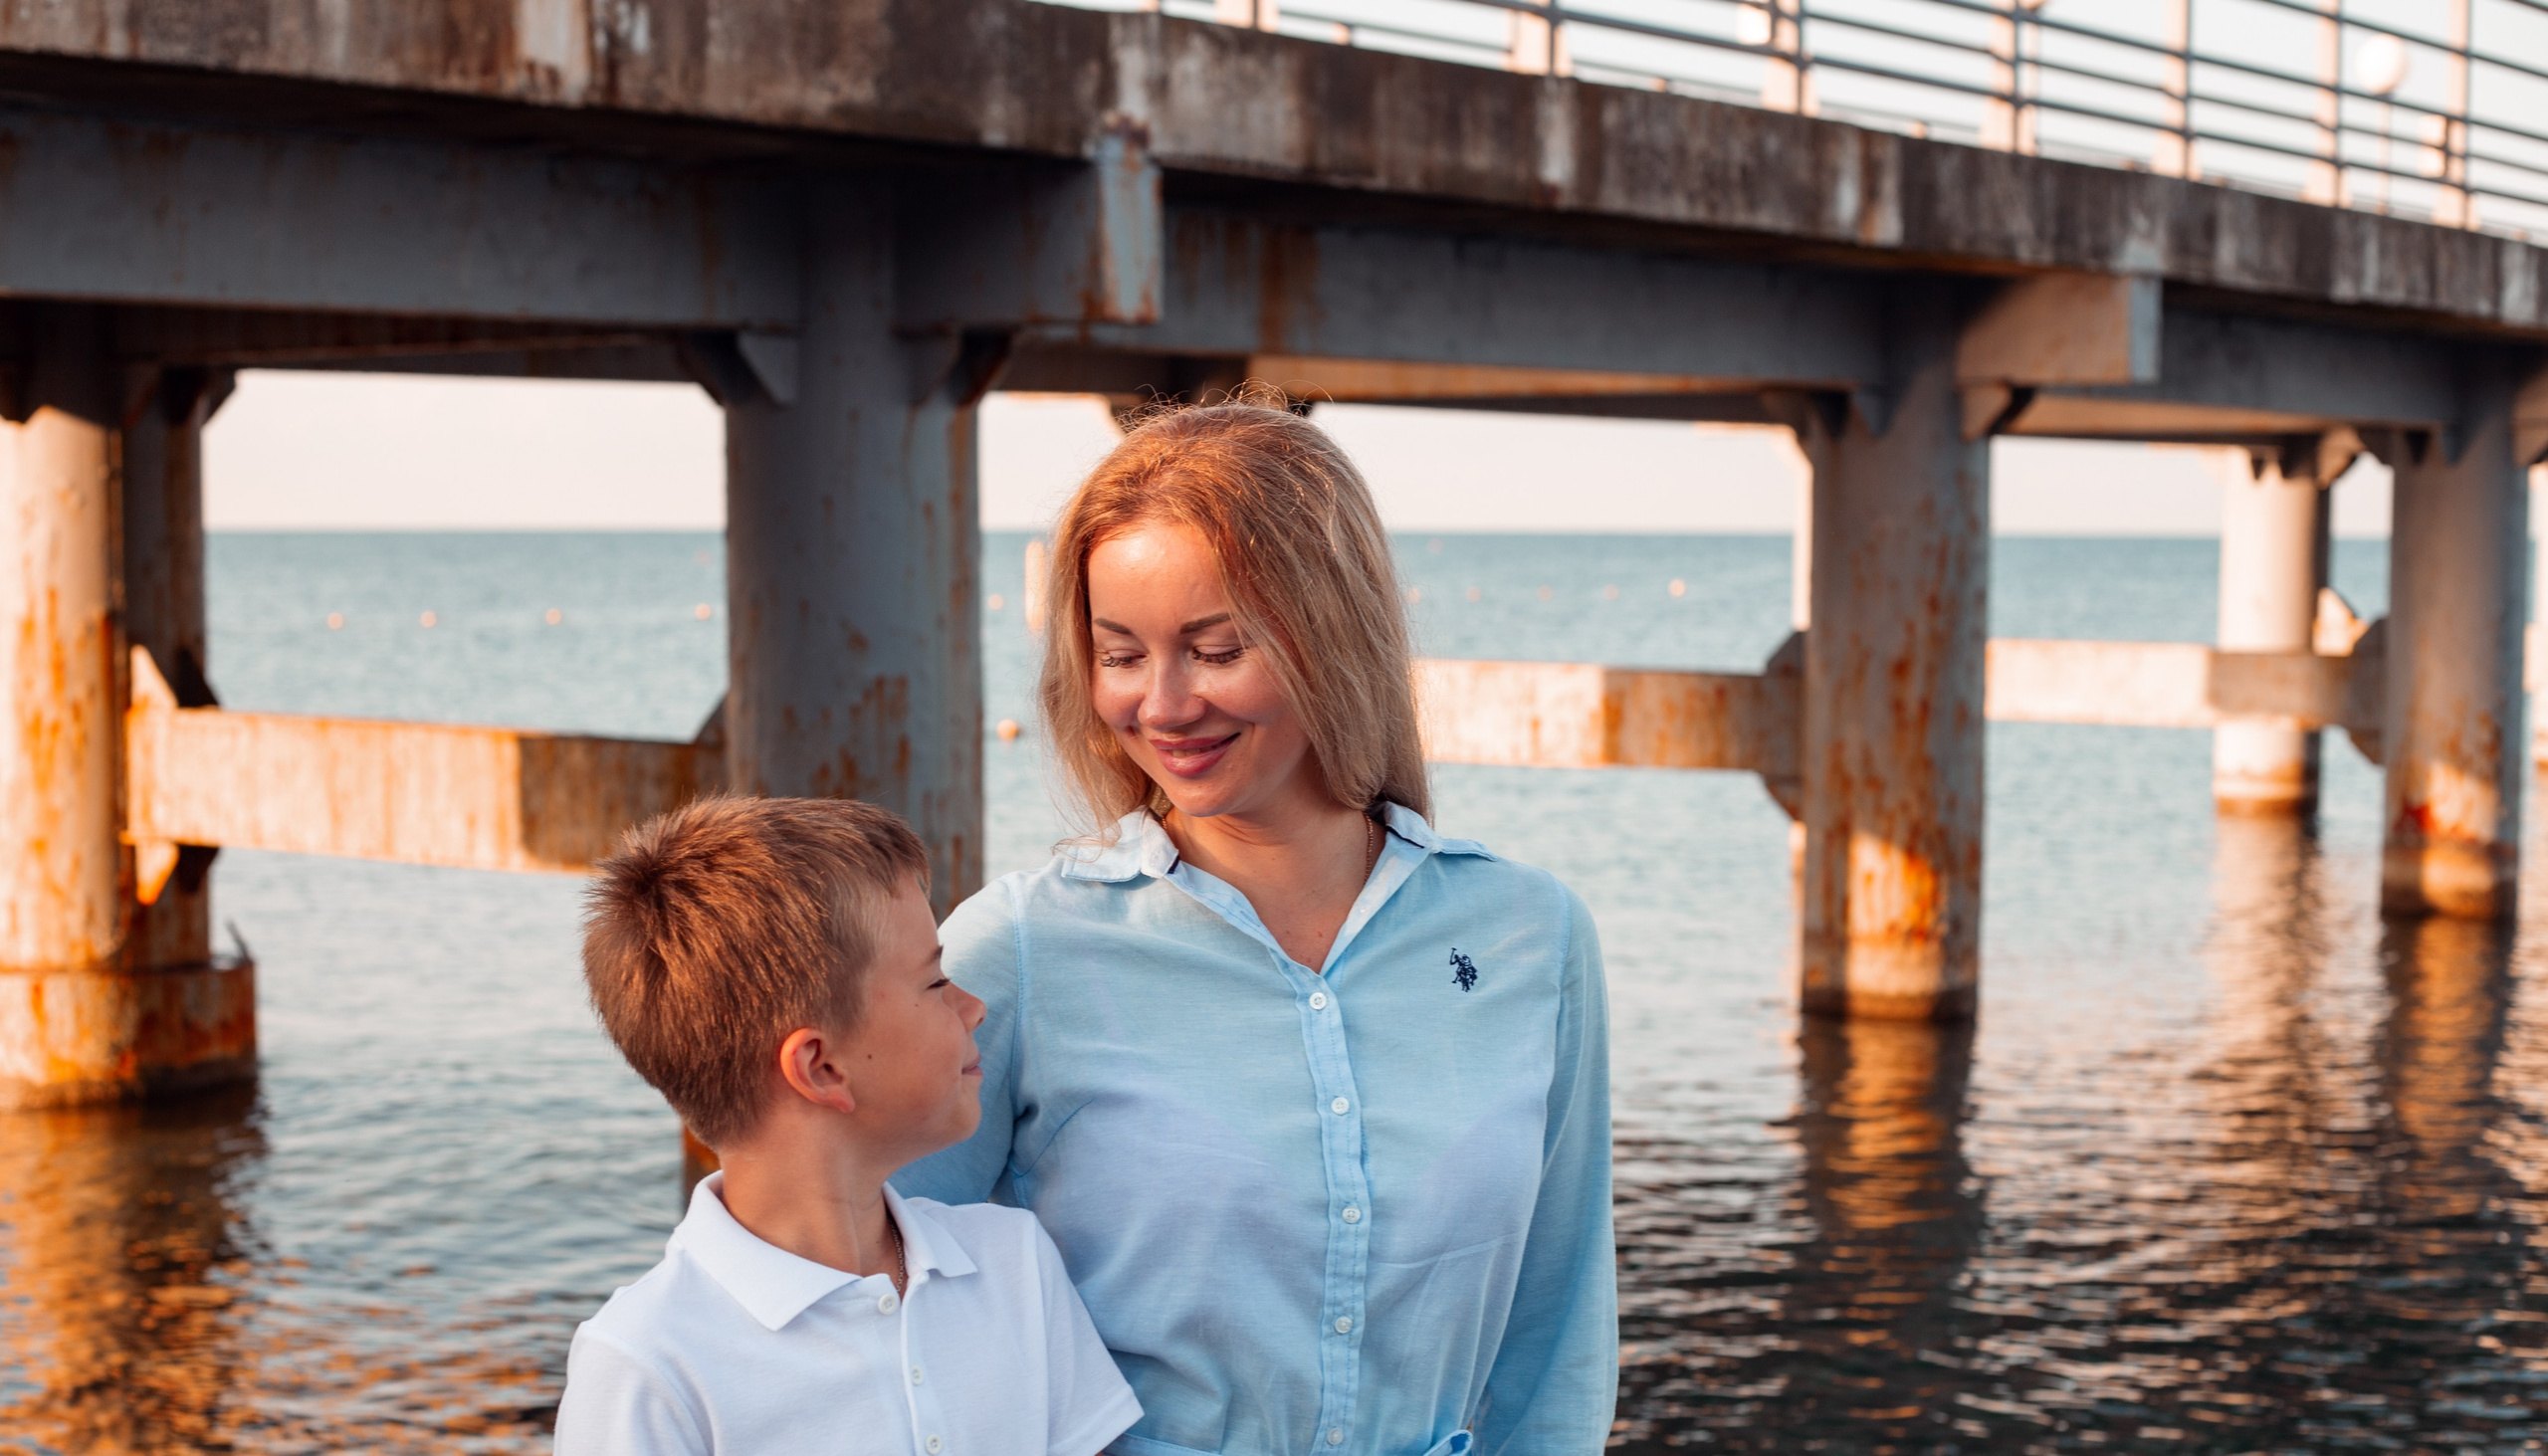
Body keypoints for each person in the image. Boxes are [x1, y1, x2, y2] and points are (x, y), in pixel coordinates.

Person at [896, 397, 1617, 1456]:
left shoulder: (1529, 934)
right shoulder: (1021, 949)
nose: (1164, 704)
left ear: (1333, 629)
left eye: (1216, 646)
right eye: (1121, 653)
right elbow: (868, 1284)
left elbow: (1554, 1333)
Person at [556, 795, 1143, 1456]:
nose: (974, 1006)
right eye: (934, 983)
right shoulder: (648, 1366)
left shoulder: (1014, 1261)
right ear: (821, 1066)